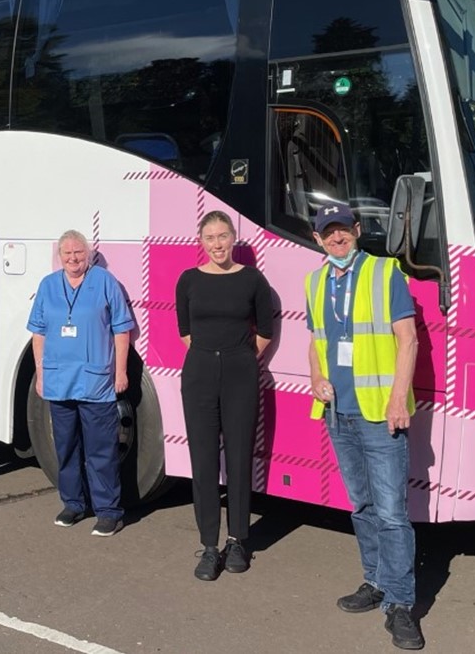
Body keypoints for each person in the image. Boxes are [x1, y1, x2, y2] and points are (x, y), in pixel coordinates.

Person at [305, 203, 424, 650]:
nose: (337, 238)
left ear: (357, 231)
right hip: (339, 414)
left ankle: (400, 604)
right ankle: (374, 582)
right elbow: (316, 341)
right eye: (328, 232)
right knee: (362, 506)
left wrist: (398, 400)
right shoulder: (315, 282)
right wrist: (316, 377)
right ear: (318, 239)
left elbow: (407, 338)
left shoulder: (384, 273)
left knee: (392, 512)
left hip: (379, 413)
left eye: (343, 230)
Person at [174, 211, 276, 581]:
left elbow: (265, 329)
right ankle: (209, 545)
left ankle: (237, 540)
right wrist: (210, 355)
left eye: (222, 236)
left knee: (238, 458)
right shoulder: (188, 280)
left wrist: (240, 357)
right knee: (202, 462)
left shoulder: (252, 279)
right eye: (210, 237)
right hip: (199, 372)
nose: (217, 244)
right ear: (201, 242)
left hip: (240, 373)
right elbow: (185, 330)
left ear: (233, 238)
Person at [27, 230, 136, 537]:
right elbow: (38, 333)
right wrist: (40, 372)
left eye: (79, 253)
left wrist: (121, 371)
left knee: (101, 449)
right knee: (66, 446)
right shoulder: (48, 286)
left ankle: (109, 511)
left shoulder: (104, 282)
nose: (73, 258)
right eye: (67, 254)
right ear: (59, 257)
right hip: (58, 379)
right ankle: (74, 503)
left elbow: (122, 330)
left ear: (88, 255)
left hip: (96, 380)